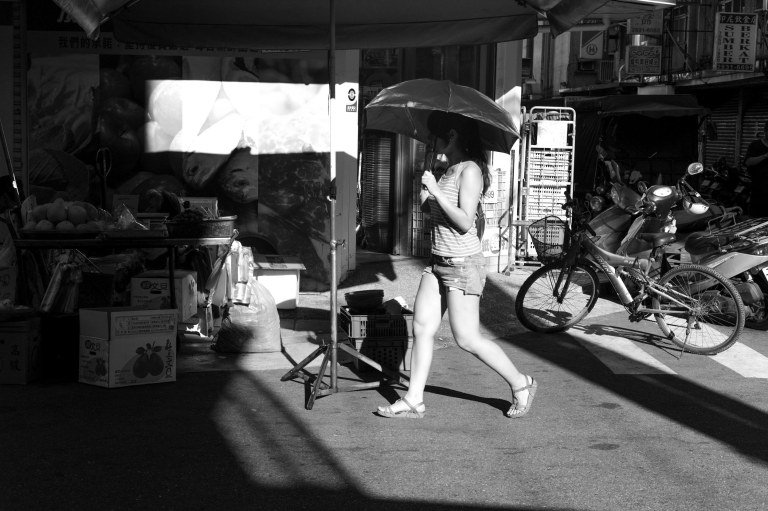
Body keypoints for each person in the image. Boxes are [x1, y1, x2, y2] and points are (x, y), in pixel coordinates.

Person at [376, 111, 537, 419]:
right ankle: (413, 400)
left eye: (433, 137)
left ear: (451, 136)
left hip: (463, 265)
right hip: (438, 262)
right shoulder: (448, 169)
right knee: (422, 327)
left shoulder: (471, 171)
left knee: (467, 338)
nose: (429, 142)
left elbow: (464, 222)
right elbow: (438, 216)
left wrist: (436, 191)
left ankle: (521, 383)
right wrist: (428, 192)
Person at [744, 120, 768, 218]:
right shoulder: (755, 145)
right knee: (756, 219)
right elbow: (748, 162)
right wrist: (766, 155)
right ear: (765, 131)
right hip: (759, 191)